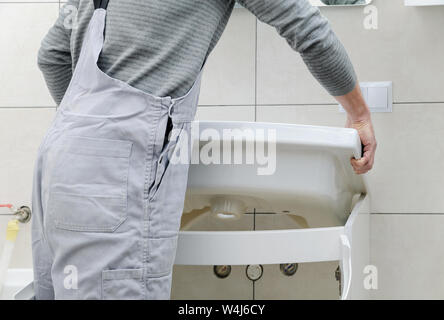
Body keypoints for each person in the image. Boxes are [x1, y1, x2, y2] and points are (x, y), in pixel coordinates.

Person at [32, 0, 376, 300]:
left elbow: (52, 56)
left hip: (59, 165)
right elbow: (306, 28)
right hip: (114, 176)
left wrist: (95, 140)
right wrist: (359, 113)